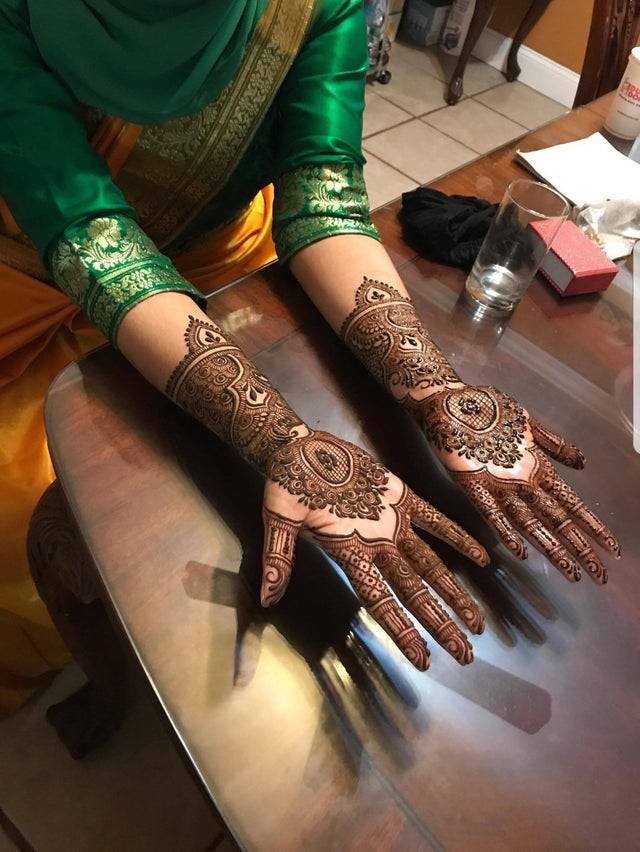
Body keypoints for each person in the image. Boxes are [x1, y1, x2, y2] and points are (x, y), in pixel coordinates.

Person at [0, 0, 619, 718]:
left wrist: (433, 386)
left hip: (213, 250)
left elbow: (323, 196)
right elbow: (89, 233)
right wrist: (283, 439)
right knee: (40, 497)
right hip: (35, 251)